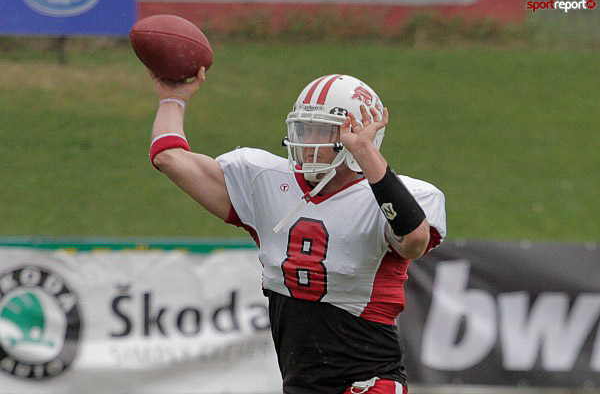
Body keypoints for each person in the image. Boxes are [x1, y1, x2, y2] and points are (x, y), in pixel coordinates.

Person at [147, 68, 446, 394]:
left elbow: (414, 240)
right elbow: (170, 158)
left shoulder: (397, 198)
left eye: (323, 131)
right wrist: (173, 99)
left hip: (369, 382)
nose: (308, 142)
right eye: (305, 129)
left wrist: (366, 153)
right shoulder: (264, 181)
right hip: (302, 384)